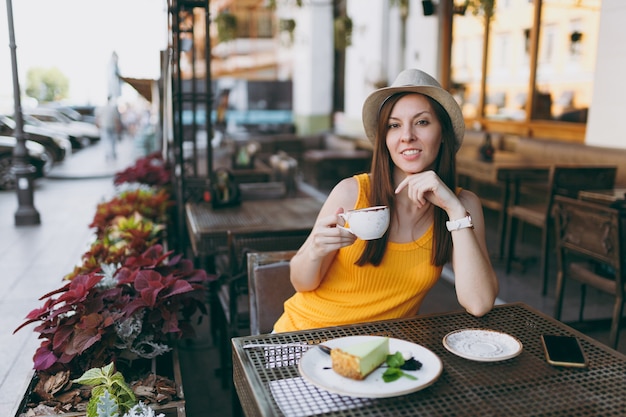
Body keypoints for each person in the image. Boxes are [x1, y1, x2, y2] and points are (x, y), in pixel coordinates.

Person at [273, 68, 498, 333]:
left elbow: (479, 303)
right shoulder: (352, 193)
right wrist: (315, 251)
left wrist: (454, 211)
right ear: (386, 139)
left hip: (383, 354)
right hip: (306, 339)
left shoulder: (462, 206)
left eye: (422, 122)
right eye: (394, 125)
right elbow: (301, 283)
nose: (406, 136)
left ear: (443, 133)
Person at [97, 95, 122, 160]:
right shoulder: (113, 108)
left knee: (106, 140)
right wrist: (118, 127)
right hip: (111, 126)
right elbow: (116, 119)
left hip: (105, 126)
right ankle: (113, 153)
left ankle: (107, 153)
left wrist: (98, 125)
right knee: (112, 141)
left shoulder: (102, 108)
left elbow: (98, 117)